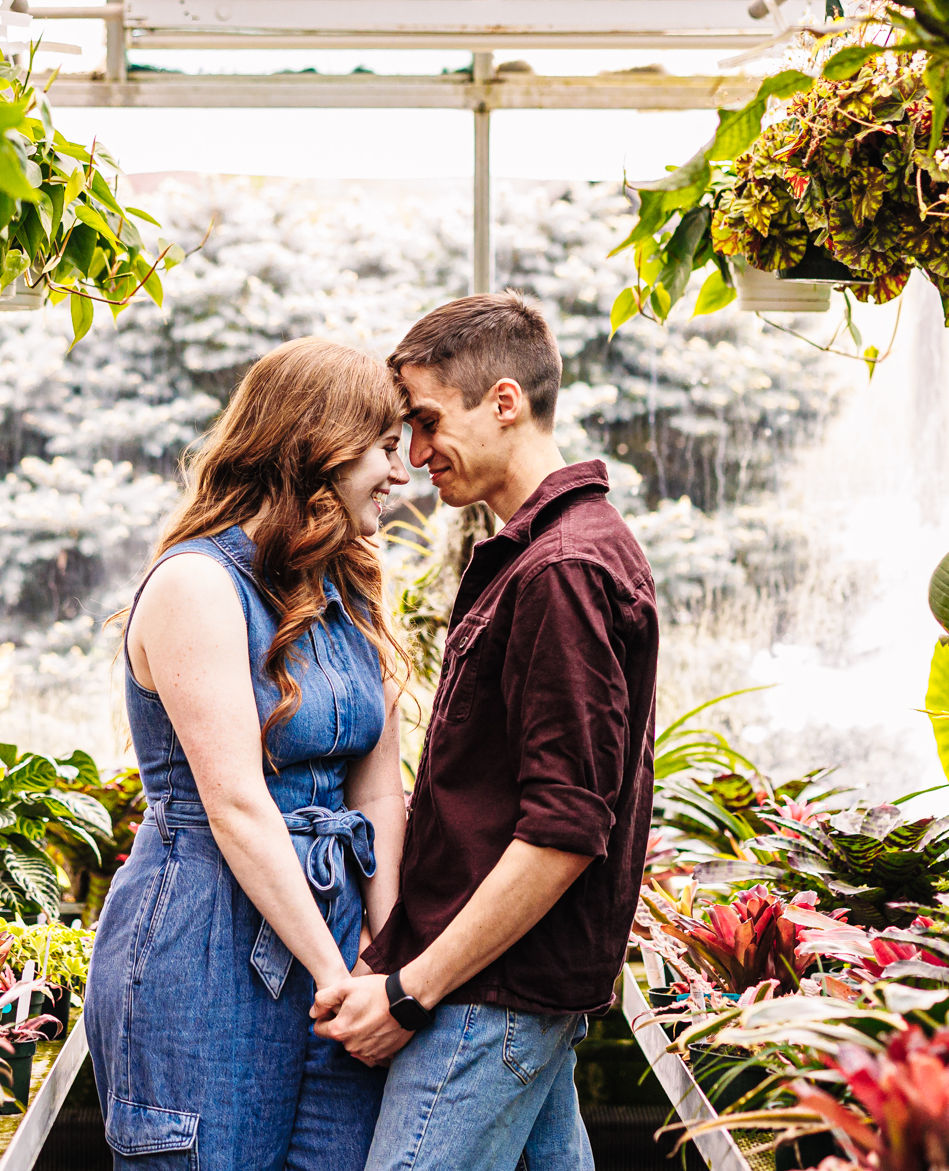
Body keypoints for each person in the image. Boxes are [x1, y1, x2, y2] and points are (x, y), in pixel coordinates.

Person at [314, 292, 661, 1171]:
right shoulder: (547, 550)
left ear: (504, 401)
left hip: (486, 1001)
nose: (415, 454)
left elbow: (562, 832)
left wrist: (409, 994)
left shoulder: (563, 569)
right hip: (512, 996)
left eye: (427, 421)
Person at [84, 336, 412, 1171]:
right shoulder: (196, 583)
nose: (402, 473)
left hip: (333, 940)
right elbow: (234, 803)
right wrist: (338, 978)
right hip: (203, 944)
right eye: (385, 448)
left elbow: (377, 794)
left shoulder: (355, 588)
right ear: (322, 447)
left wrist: (387, 951)